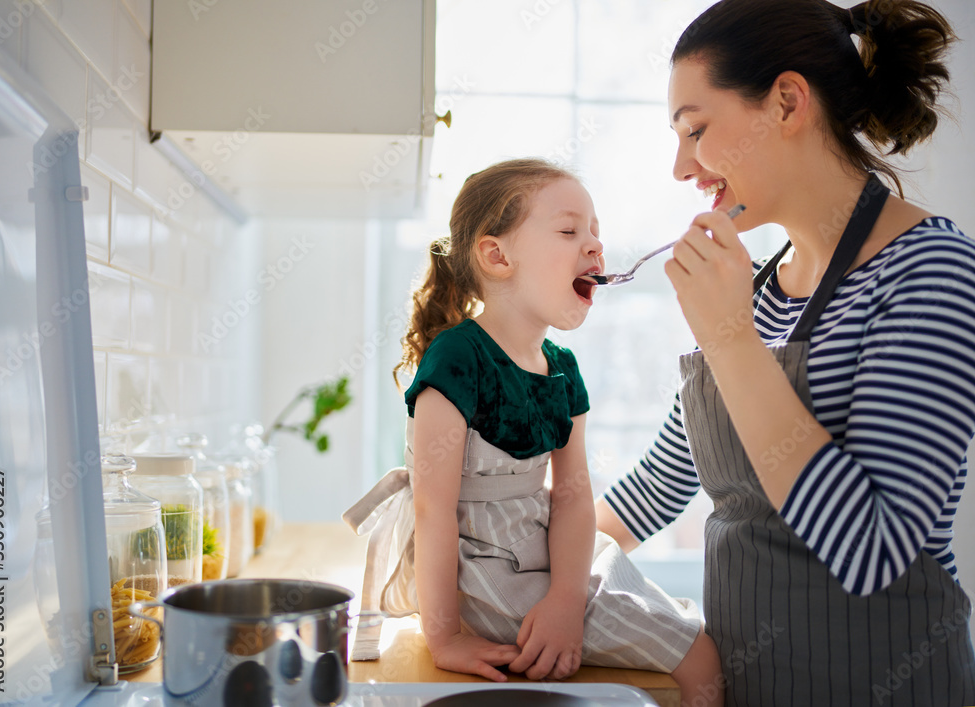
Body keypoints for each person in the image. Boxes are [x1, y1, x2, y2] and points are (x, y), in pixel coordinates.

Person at [595, 0, 975, 705]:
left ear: (788, 103)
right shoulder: (761, 292)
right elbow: (658, 488)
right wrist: (518, 561)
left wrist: (730, 340)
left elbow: (874, 548)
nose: (683, 167)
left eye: (696, 130)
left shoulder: (933, 272)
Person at [344, 158, 723, 705]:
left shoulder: (562, 366)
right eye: (570, 231)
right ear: (497, 256)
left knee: (691, 634)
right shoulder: (457, 358)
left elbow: (572, 499)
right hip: (487, 572)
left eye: (596, 232)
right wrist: (445, 637)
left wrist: (567, 599)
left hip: (543, 552)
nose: (594, 247)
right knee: (701, 658)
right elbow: (433, 509)